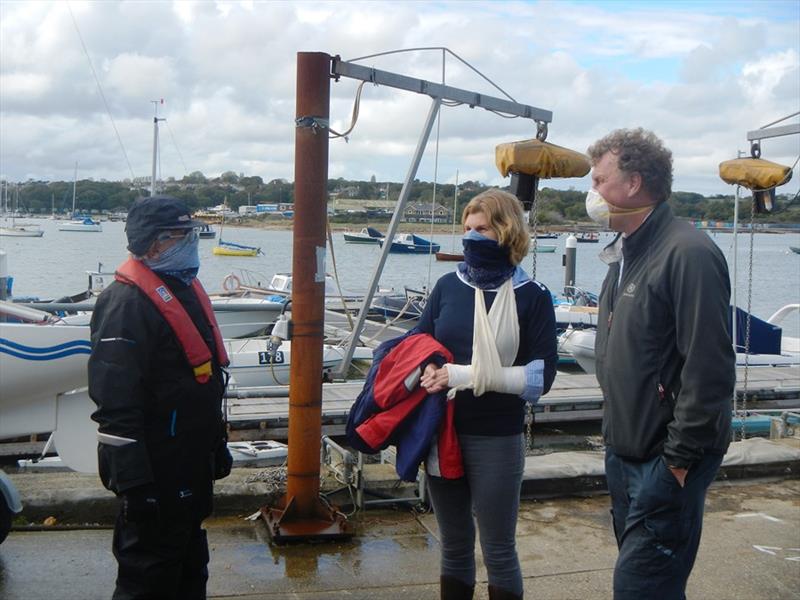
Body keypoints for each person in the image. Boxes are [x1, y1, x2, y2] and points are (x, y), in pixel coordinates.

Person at [586, 128, 735, 599]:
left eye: (599, 180)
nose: (592, 193)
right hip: (626, 449)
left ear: (632, 184)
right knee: (654, 586)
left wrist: (679, 460)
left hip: (666, 456)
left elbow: (709, 367)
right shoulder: (624, 256)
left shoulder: (687, 253)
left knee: (640, 588)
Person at [88, 195, 232, 600]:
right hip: (154, 470)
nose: (192, 242)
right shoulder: (125, 304)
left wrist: (216, 446)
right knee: (148, 576)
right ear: (152, 243)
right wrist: (135, 484)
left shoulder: (181, 288)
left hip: (190, 463)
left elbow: (199, 383)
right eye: (181, 236)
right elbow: (115, 404)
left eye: (192, 233)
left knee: (189, 568)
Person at [419, 189, 558, 600]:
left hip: (497, 437)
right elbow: (420, 342)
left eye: (482, 229)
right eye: (467, 229)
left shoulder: (533, 296)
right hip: (443, 433)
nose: (472, 237)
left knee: (498, 550)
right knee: (455, 547)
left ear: (507, 230)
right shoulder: (447, 287)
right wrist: (426, 366)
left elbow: (539, 379)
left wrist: (458, 375)